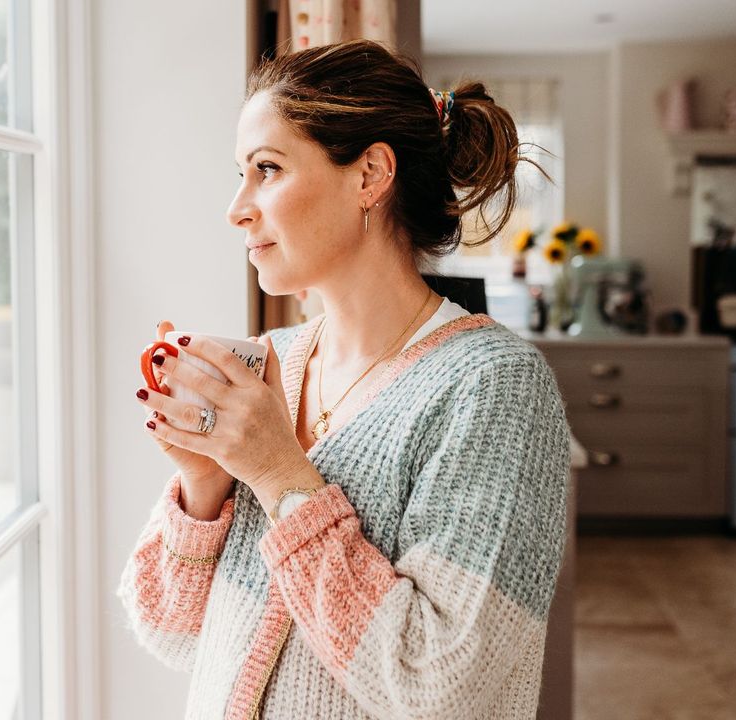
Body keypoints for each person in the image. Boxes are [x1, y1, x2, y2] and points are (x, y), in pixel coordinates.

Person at [118, 39, 571, 720]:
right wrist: (202, 488)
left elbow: (437, 687)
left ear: (370, 176)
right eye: (240, 173)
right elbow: (170, 633)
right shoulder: (271, 365)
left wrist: (277, 474)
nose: (237, 208)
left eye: (266, 168)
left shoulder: (496, 391)